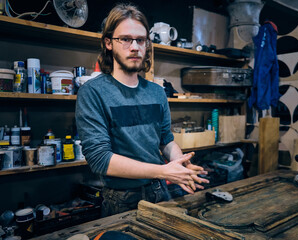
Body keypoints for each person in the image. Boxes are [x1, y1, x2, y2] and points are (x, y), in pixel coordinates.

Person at [75, 3, 209, 217]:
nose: (135, 46)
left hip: (160, 192)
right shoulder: (93, 93)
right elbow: (100, 159)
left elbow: (166, 140)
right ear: (108, 43)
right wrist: (164, 171)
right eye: (126, 39)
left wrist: (179, 164)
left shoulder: (157, 93)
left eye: (141, 40)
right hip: (121, 199)